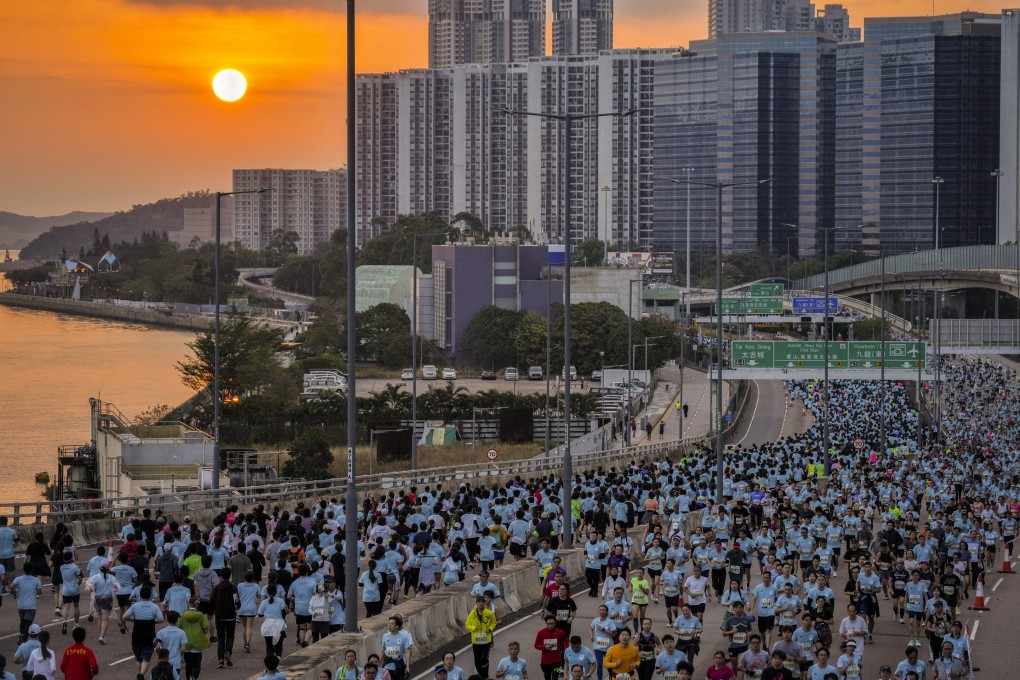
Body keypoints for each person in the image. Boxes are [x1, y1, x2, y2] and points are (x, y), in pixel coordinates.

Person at [122, 585, 165, 680]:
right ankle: (142, 674)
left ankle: (140, 673)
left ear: (140, 595)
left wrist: (132, 620)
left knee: (138, 657)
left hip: (137, 632)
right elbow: (162, 619)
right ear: (150, 596)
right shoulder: (154, 606)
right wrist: (156, 622)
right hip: (149, 632)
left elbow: (124, 617)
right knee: (147, 656)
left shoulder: (135, 606)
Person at [210, 569, 238, 666]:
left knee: (221, 637)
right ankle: (228, 652)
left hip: (219, 615)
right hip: (230, 615)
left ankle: (220, 660)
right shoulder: (233, 587)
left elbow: (212, 600)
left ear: (221, 576)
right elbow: (236, 601)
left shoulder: (216, 588)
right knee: (230, 635)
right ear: (230, 575)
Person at [466, 596, 497, 679]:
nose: (480, 603)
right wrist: (473, 628)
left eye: (482, 601)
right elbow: (467, 625)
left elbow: (494, 622)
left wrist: (490, 629)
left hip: (486, 640)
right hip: (476, 641)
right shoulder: (472, 614)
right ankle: (480, 676)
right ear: (476, 603)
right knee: (477, 660)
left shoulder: (489, 613)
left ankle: (485, 675)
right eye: (479, 602)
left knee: (484, 658)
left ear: (484, 603)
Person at [181, 597, 211, 680]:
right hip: (197, 644)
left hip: (186, 643)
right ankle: (194, 676)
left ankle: (189, 677)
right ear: (197, 605)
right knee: (197, 665)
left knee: (188, 665)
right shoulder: (200, 615)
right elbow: (205, 628)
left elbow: (179, 627)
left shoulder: (183, 615)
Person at [11, 563, 43, 644]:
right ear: (32, 570)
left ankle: (21, 634)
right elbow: (39, 592)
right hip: (31, 606)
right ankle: (23, 640)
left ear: (23, 570)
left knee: (22, 621)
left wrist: (14, 593)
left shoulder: (18, 579)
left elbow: (11, 586)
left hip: (21, 605)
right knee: (28, 624)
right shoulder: (36, 580)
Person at [154, 610, 189, 680]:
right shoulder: (181, 633)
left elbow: (158, 648)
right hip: (176, 663)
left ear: (167, 619)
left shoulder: (161, 632)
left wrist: (158, 650)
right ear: (177, 620)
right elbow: (183, 649)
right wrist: (180, 654)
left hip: (164, 662)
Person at [534, 616, 569, 680]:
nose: (551, 625)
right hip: (545, 662)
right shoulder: (541, 633)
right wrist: (544, 647)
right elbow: (536, 645)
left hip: (557, 661)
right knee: (547, 677)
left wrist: (566, 649)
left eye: (552, 623)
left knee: (555, 677)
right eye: (549, 624)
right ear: (546, 623)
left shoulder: (560, 632)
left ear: (555, 623)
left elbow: (566, 640)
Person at [381, 614, 413, 680]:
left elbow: (407, 652)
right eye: (389, 623)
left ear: (397, 626)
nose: (389, 625)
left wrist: (407, 666)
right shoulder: (385, 636)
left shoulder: (404, 637)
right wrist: (379, 663)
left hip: (399, 665)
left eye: (392, 624)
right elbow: (382, 650)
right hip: (387, 664)